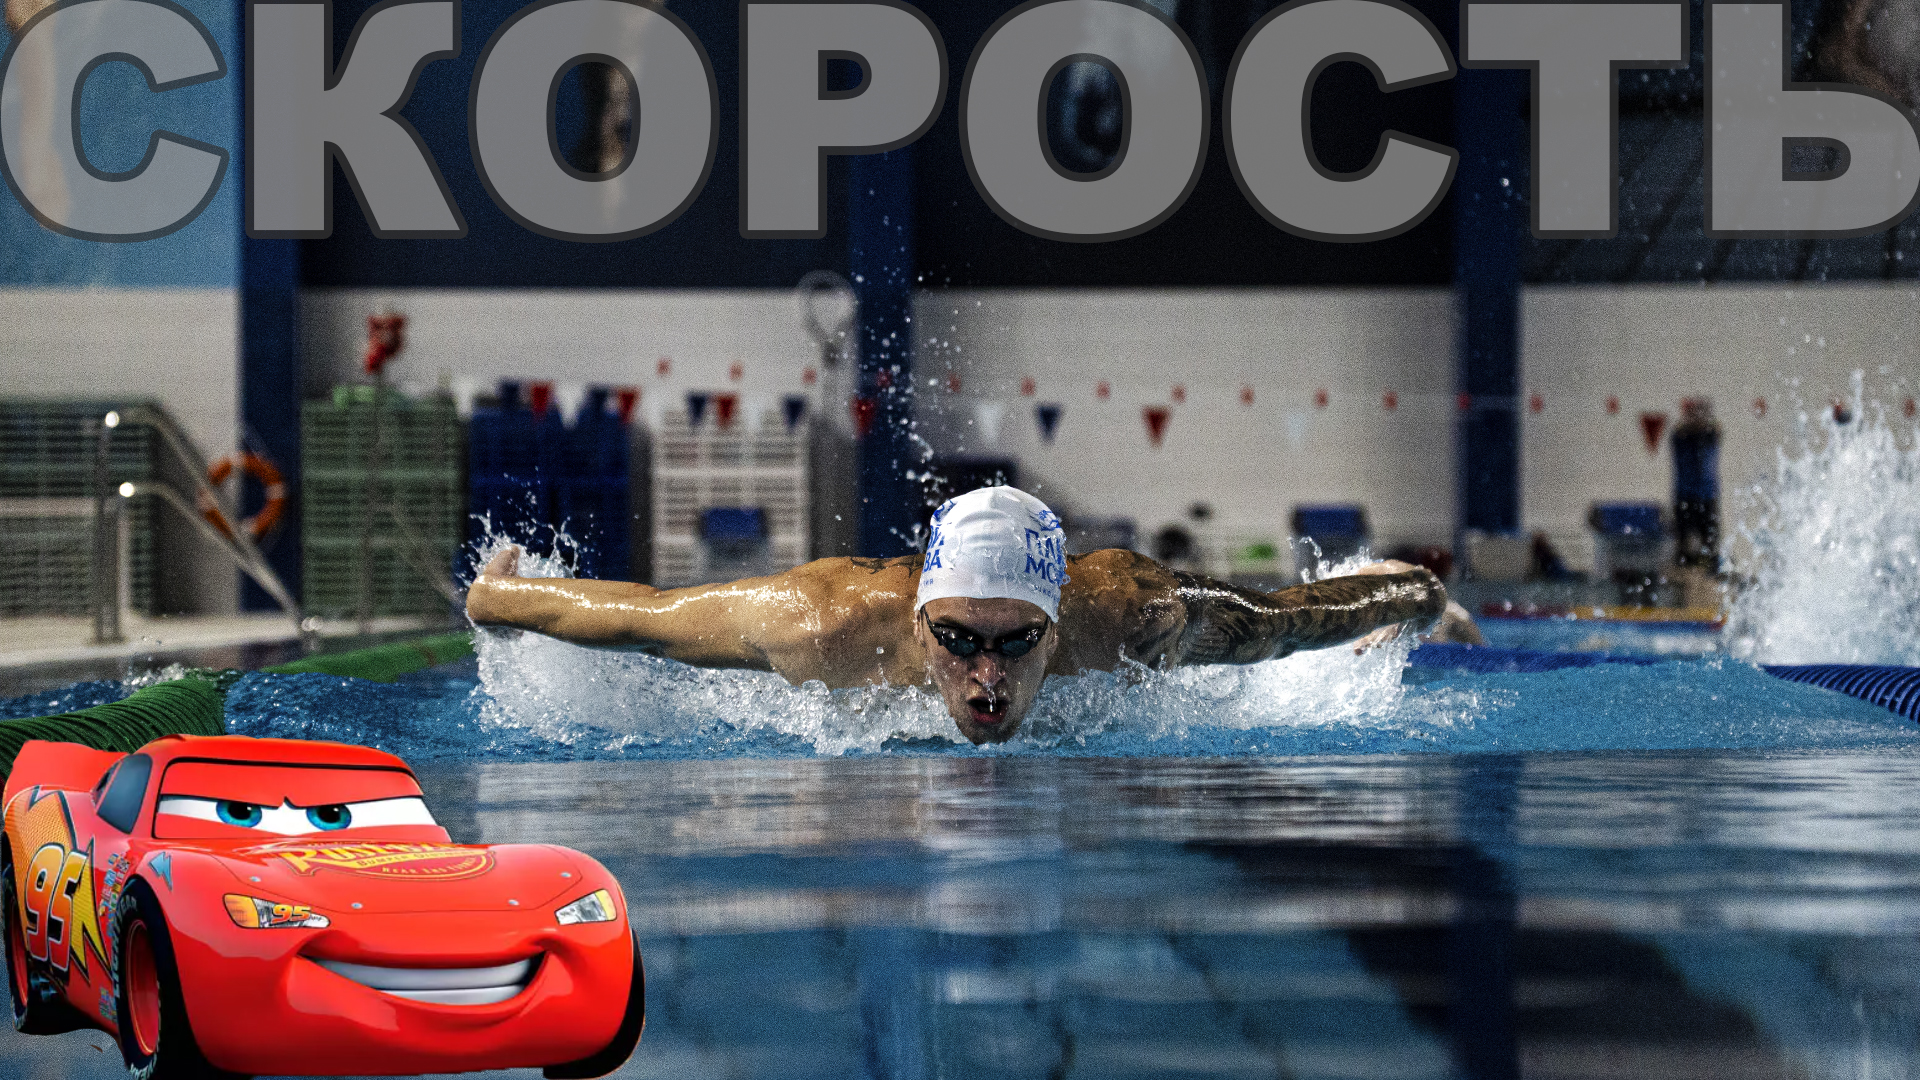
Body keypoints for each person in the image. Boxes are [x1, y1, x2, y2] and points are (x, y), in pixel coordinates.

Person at [467, 486, 1480, 745]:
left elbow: (1290, 617)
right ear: (918, 623)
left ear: (1058, 627)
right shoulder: (824, 626)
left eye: (1015, 643)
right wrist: (504, 598)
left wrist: (1416, 595)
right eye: (957, 640)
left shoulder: (1132, 618)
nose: (987, 677)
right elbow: (647, 615)